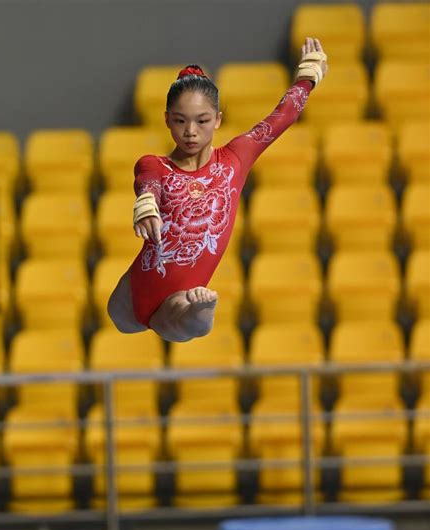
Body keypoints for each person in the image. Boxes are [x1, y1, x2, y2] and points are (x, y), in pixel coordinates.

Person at [108, 38, 328, 342]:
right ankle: (195, 311)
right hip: (132, 296)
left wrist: (308, 75)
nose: (190, 131)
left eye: (202, 120)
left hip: (180, 302)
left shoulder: (235, 159)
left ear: (218, 120)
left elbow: (283, 116)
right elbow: (148, 181)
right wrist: (145, 203)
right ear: (167, 121)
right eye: (180, 121)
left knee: (188, 320)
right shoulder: (156, 165)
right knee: (122, 321)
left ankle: (203, 309)